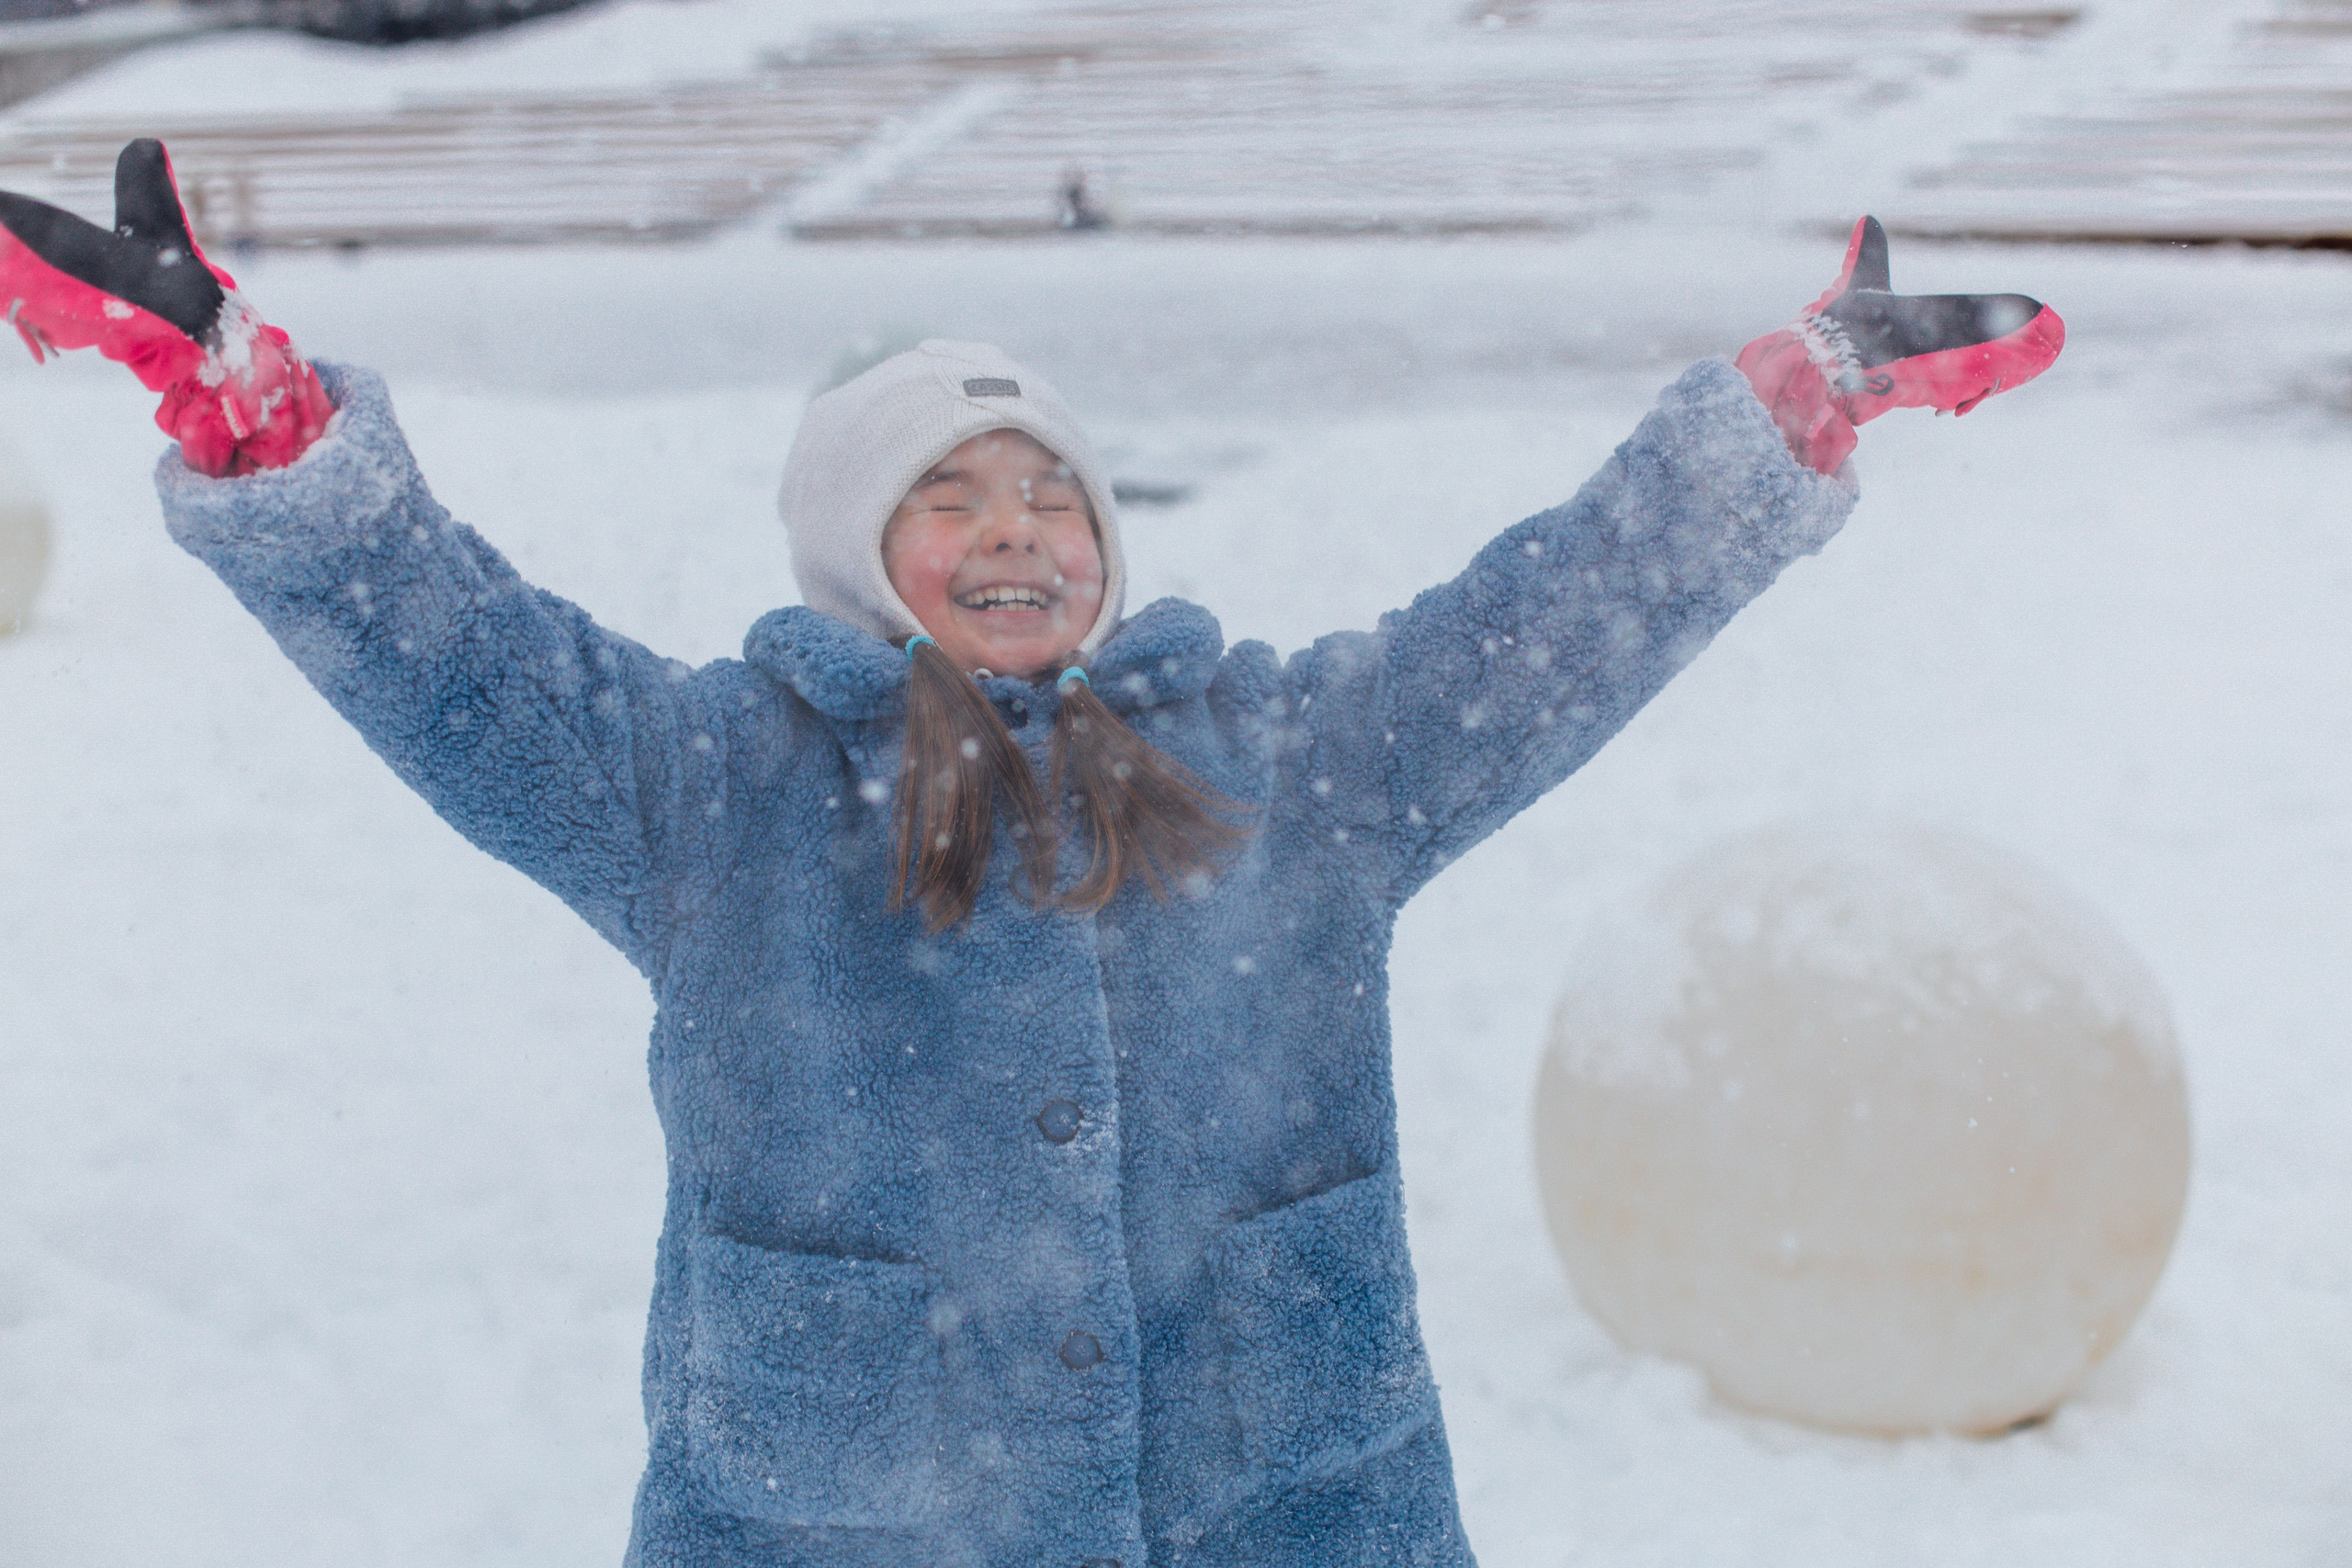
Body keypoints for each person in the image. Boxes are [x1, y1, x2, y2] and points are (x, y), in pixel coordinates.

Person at [1, 141, 2061, 1568]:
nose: (1014, 529)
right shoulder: (713, 788)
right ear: (859, 554)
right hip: (840, 1520)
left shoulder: (1285, 762)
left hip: (1284, 1504)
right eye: (947, 495)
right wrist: (264, 426)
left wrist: (1778, 417)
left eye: (1050, 492)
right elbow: (461, 655)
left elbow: (1553, 618)